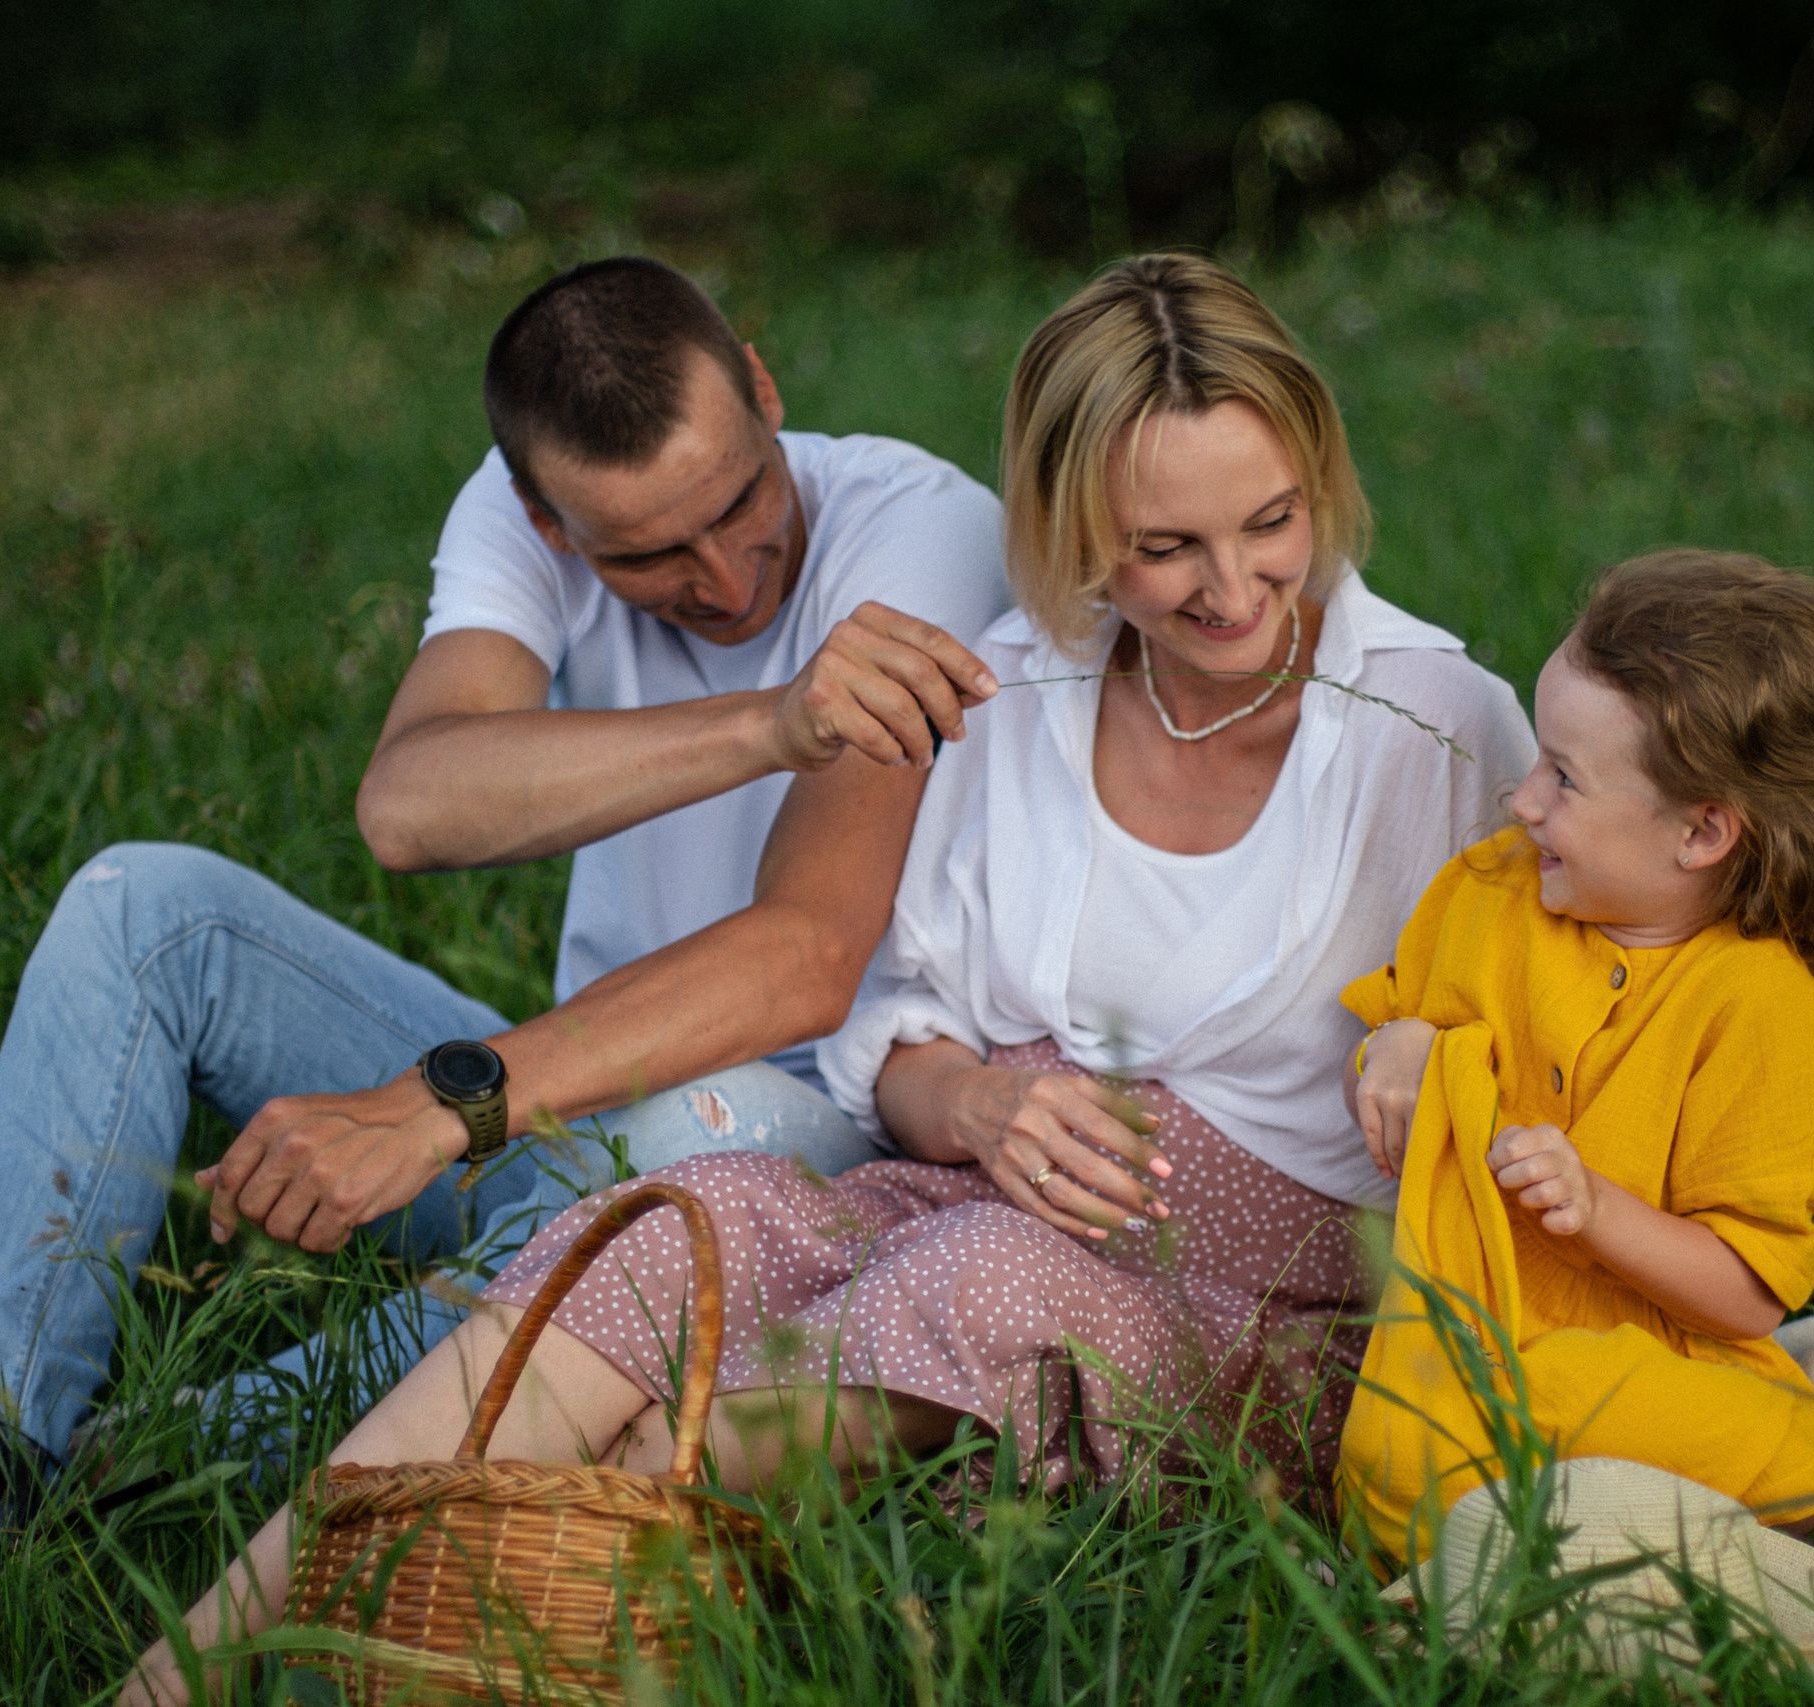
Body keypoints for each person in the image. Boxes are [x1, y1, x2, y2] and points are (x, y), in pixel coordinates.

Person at [119, 251, 1535, 1706]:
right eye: (1168, 546)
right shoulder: (1007, 685)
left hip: (1266, 1305)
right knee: (676, 1225)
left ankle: (457, 1622)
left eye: (1273, 521)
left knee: (964, 1278)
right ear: (1078, 536)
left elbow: (1572, 1028)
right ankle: (183, 1670)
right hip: (974, 1200)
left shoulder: (1432, 722)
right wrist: (978, 1100)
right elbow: (889, 1020)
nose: (1234, 587)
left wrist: (1439, 1050)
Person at [0, 256, 1011, 1555]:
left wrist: (445, 1102)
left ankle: (152, 1486)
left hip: (813, 1127)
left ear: (766, 394)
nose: (726, 576)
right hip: (575, 1093)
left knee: (697, 1129)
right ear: (549, 524)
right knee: (147, 906)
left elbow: (809, 958)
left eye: (745, 501)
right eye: (651, 553)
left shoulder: (922, 529)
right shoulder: (521, 512)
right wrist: (773, 721)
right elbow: (410, 804)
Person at [1334, 549, 1814, 1570]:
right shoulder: (1488, 897)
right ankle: (1680, 1531)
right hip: (1470, 1338)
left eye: (1564, 777)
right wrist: (1400, 1045)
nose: (1522, 802)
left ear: (1702, 831)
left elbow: (1747, 1293)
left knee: (1599, 1405)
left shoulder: (1762, 1012)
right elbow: (1406, 1033)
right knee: (1396, 1445)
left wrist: (1596, 1210)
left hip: (1663, 1366)